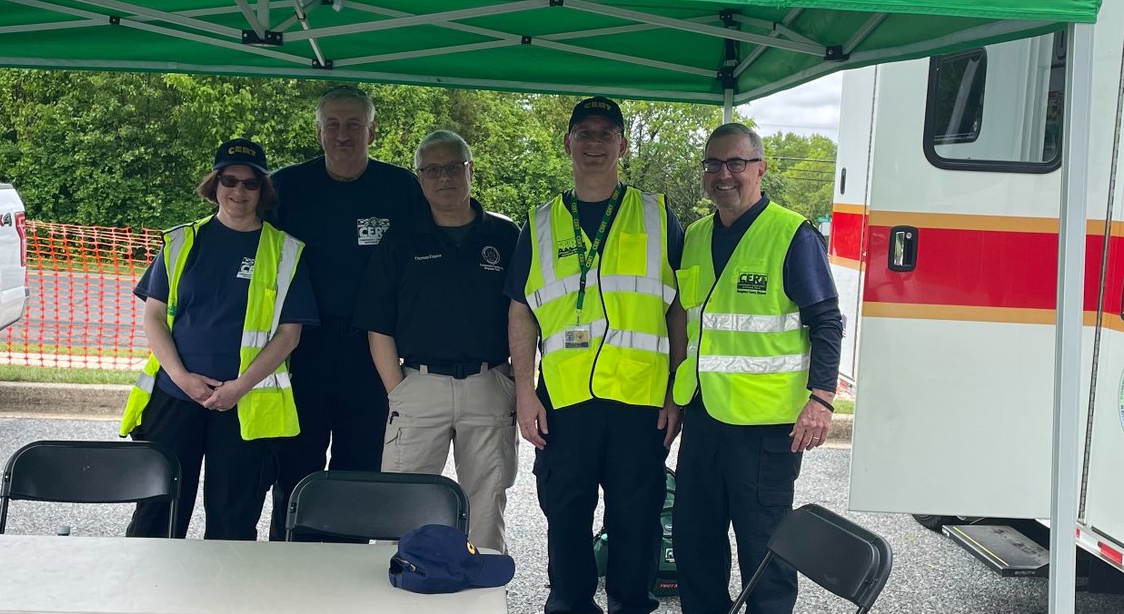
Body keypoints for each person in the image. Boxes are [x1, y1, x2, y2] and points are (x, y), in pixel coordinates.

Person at [505, 96, 686, 614]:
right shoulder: (538, 224)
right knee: (565, 514)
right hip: (564, 401)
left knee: (637, 517)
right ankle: (569, 603)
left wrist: (675, 392)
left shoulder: (657, 216)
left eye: (606, 133)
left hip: (640, 400)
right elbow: (521, 312)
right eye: (583, 132)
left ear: (622, 145)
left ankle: (632, 604)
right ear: (567, 143)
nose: (594, 143)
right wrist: (524, 393)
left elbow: (677, 312)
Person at [671, 123, 843, 614]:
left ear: (760, 169)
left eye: (735, 164)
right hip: (704, 416)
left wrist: (821, 399)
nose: (723, 174)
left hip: (767, 428)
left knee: (764, 550)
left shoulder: (791, 234)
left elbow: (827, 322)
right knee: (695, 543)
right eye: (713, 164)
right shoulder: (698, 234)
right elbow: (690, 318)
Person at [120, 137, 317, 540]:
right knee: (157, 512)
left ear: (263, 191)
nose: (238, 191)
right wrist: (182, 378)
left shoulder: (285, 252)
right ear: (214, 184)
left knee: (233, 520)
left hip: (242, 404)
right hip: (175, 397)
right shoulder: (180, 242)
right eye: (229, 180)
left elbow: (289, 335)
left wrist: (239, 387)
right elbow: (154, 317)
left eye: (250, 183)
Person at [267, 85, 427, 541]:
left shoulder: (400, 188)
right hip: (304, 348)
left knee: (359, 469)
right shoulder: (286, 187)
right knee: (296, 466)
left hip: (371, 350)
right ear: (318, 132)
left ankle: (346, 569)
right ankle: (290, 558)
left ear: (372, 130)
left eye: (354, 124)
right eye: (333, 125)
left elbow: (422, 264)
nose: (343, 134)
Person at [354, 130, 520, 552]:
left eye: (452, 167)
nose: (443, 178)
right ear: (419, 178)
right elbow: (379, 326)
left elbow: (525, 315)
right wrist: (399, 390)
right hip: (418, 385)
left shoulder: (505, 236)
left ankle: (480, 592)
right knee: (401, 503)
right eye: (432, 170)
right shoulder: (400, 240)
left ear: (470, 170)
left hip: (487, 385)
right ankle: (401, 591)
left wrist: (514, 381)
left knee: (485, 505)